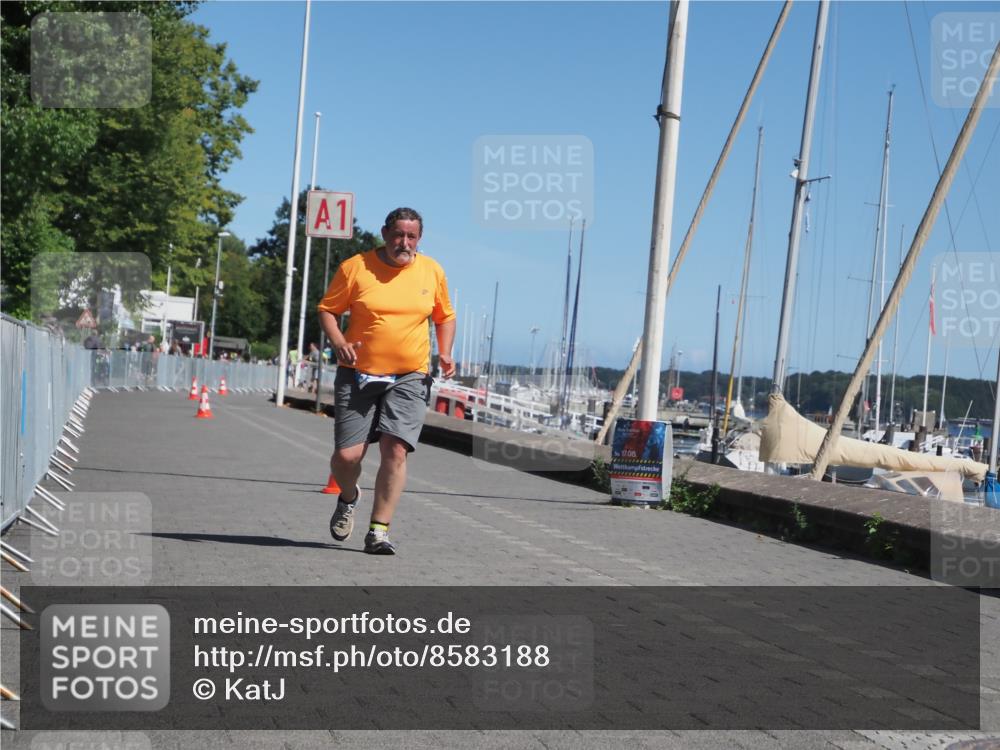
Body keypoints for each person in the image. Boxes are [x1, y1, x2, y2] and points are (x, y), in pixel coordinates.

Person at [317, 207, 455, 555]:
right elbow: (328, 310)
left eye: (411, 236)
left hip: (410, 375)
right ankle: (349, 497)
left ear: (419, 239)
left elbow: (445, 316)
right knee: (347, 458)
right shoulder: (356, 267)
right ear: (384, 233)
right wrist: (339, 343)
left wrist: (446, 352)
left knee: (395, 450)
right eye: (398, 235)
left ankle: (378, 531)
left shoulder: (432, 271)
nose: (404, 242)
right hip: (358, 372)